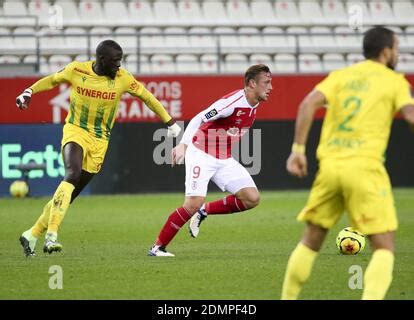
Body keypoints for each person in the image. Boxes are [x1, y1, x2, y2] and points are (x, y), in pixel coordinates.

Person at [281, 26, 414, 300]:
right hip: (365, 169)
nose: (397, 53)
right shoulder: (395, 81)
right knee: (384, 245)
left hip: (330, 168)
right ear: (386, 50)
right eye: (397, 48)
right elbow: (411, 116)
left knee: (311, 239)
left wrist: (297, 150)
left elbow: (307, 104)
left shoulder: (341, 76)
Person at [16, 40, 181, 257]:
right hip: (75, 130)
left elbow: (147, 97)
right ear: (101, 60)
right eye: (115, 62)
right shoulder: (77, 69)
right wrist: (29, 91)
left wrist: (170, 123)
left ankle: (31, 234)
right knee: (71, 174)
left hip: (100, 140)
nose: (118, 66)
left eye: (120, 61)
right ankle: (51, 236)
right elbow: (52, 80)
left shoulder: (123, 78)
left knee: (68, 195)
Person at [148, 64, 272, 256]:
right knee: (192, 203)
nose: (270, 87)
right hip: (201, 154)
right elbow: (199, 118)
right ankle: (157, 248)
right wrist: (183, 145)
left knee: (251, 198)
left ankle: (204, 211)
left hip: (224, 158)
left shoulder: (254, 105)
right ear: (252, 84)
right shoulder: (232, 102)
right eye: (267, 82)